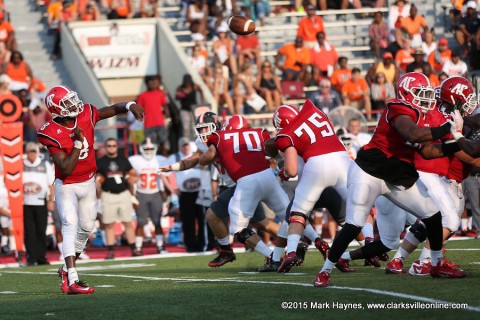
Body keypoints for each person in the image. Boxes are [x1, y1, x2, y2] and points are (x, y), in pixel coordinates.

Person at [314, 72, 465, 287]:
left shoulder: (420, 114)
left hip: (396, 174)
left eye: (427, 93)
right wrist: (445, 128)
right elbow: (412, 133)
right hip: (370, 171)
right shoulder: (397, 107)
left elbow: (429, 151)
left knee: (432, 215)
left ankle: (437, 263)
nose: (426, 98)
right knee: (354, 224)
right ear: (405, 93)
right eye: (420, 93)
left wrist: (456, 143)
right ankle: (325, 271)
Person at [37, 85, 144, 294]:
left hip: (88, 182)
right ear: (57, 109)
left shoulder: (86, 113)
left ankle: (65, 271)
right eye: (67, 102)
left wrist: (130, 105)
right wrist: (78, 143)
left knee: (86, 227)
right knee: (70, 225)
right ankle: (72, 280)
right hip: (67, 185)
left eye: (72, 99)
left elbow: (112, 109)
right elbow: (66, 168)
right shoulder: (50, 132)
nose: (74, 103)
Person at [268, 100, 351, 273]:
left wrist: (281, 172)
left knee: (294, 215)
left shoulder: (288, 137)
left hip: (312, 182)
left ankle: (285, 255)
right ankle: (368, 245)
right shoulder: (316, 120)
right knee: (353, 212)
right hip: (335, 177)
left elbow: (291, 170)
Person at [199, 115, 290, 262]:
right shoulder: (212, 140)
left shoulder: (222, 138)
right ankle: (298, 242)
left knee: (238, 227)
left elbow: (203, 158)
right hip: (248, 184)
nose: (203, 132)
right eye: (201, 129)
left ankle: (276, 253)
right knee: (263, 222)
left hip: (242, 186)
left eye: (206, 127)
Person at [96, 138, 138, 259]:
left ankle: (134, 249)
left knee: (128, 222)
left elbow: (134, 174)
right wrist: (98, 182)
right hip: (108, 194)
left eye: (114, 146)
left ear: (117, 147)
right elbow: (96, 178)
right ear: (106, 147)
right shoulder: (101, 161)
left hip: (123, 193)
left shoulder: (123, 159)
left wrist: (131, 179)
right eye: (109, 146)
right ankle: (110, 250)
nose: (111, 148)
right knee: (109, 224)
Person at [129, 138, 172, 255]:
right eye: (146, 148)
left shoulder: (160, 159)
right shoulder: (135, 160)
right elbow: (131, 178)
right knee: (141, 222)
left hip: (155, 193)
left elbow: (165, 177)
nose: (148, 151)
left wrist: (166, 192)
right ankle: (138, 248)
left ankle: (160, 246)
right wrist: (132, 195)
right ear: (141, 149)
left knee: (157, 222)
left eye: (151, 148)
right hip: (141, 193)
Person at [167, 137, 205, 252]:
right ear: (179, 147)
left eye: (187, 145)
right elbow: (166, 173)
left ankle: (203, 243)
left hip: (200, 191)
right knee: (188, 220)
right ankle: (190, 244)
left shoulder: (197, 154)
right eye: (183, 145)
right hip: (185, 192)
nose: (186, 147)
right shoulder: (174, 157)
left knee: (202, 218)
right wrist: (173, 188)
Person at [23, 142, 55, 266]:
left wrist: (50, 200)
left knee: (41, 230)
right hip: (25, 202)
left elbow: (50, 184)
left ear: (37, 152)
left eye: (34, 151)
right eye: (29, 151)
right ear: (26, 152)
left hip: (41, 201)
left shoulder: (44, 164)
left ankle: (41, 257)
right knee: (29, 232)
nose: (32, 154)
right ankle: (31, 257)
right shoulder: (21, 165)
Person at [137, 75, 169, 148]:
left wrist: (167, 115)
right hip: (148, 123)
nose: (152, 84)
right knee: (151, 143)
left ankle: (163, 155)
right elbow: (139, 108)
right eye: (150, 83)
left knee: (163, 141)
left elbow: (165, 105)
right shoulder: (142, 96)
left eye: (153, 83)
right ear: (147, 84)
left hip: (160, 122)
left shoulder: (160, 94)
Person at [176, 74, 204, 140]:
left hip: (194, 109)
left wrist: (202, 102)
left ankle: (196, 141)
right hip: (184, 109)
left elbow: (201, 91)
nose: (187, 84)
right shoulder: (180, 88)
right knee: (185, 128)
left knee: (194, 126)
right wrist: (180, 95)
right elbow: (176, 97)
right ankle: (187, 142)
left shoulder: (195, 86)